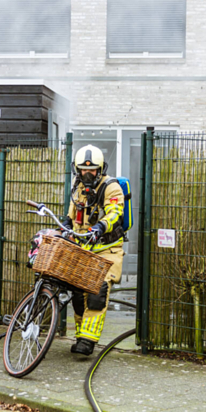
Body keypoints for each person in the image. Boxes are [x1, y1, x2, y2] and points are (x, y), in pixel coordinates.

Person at [67, 144, 126, 356]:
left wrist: (101, 226)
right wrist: (65, 226)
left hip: (106, 248)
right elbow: (72, 215)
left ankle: (88, 341)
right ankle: (81, 335)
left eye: (92, 170)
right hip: (83, 247)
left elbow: (115, 213)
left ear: (100, 169)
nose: (88, 173)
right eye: (83, 169)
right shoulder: (78, 186)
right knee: (76, 294)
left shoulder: (111, 187)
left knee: (97, 293)